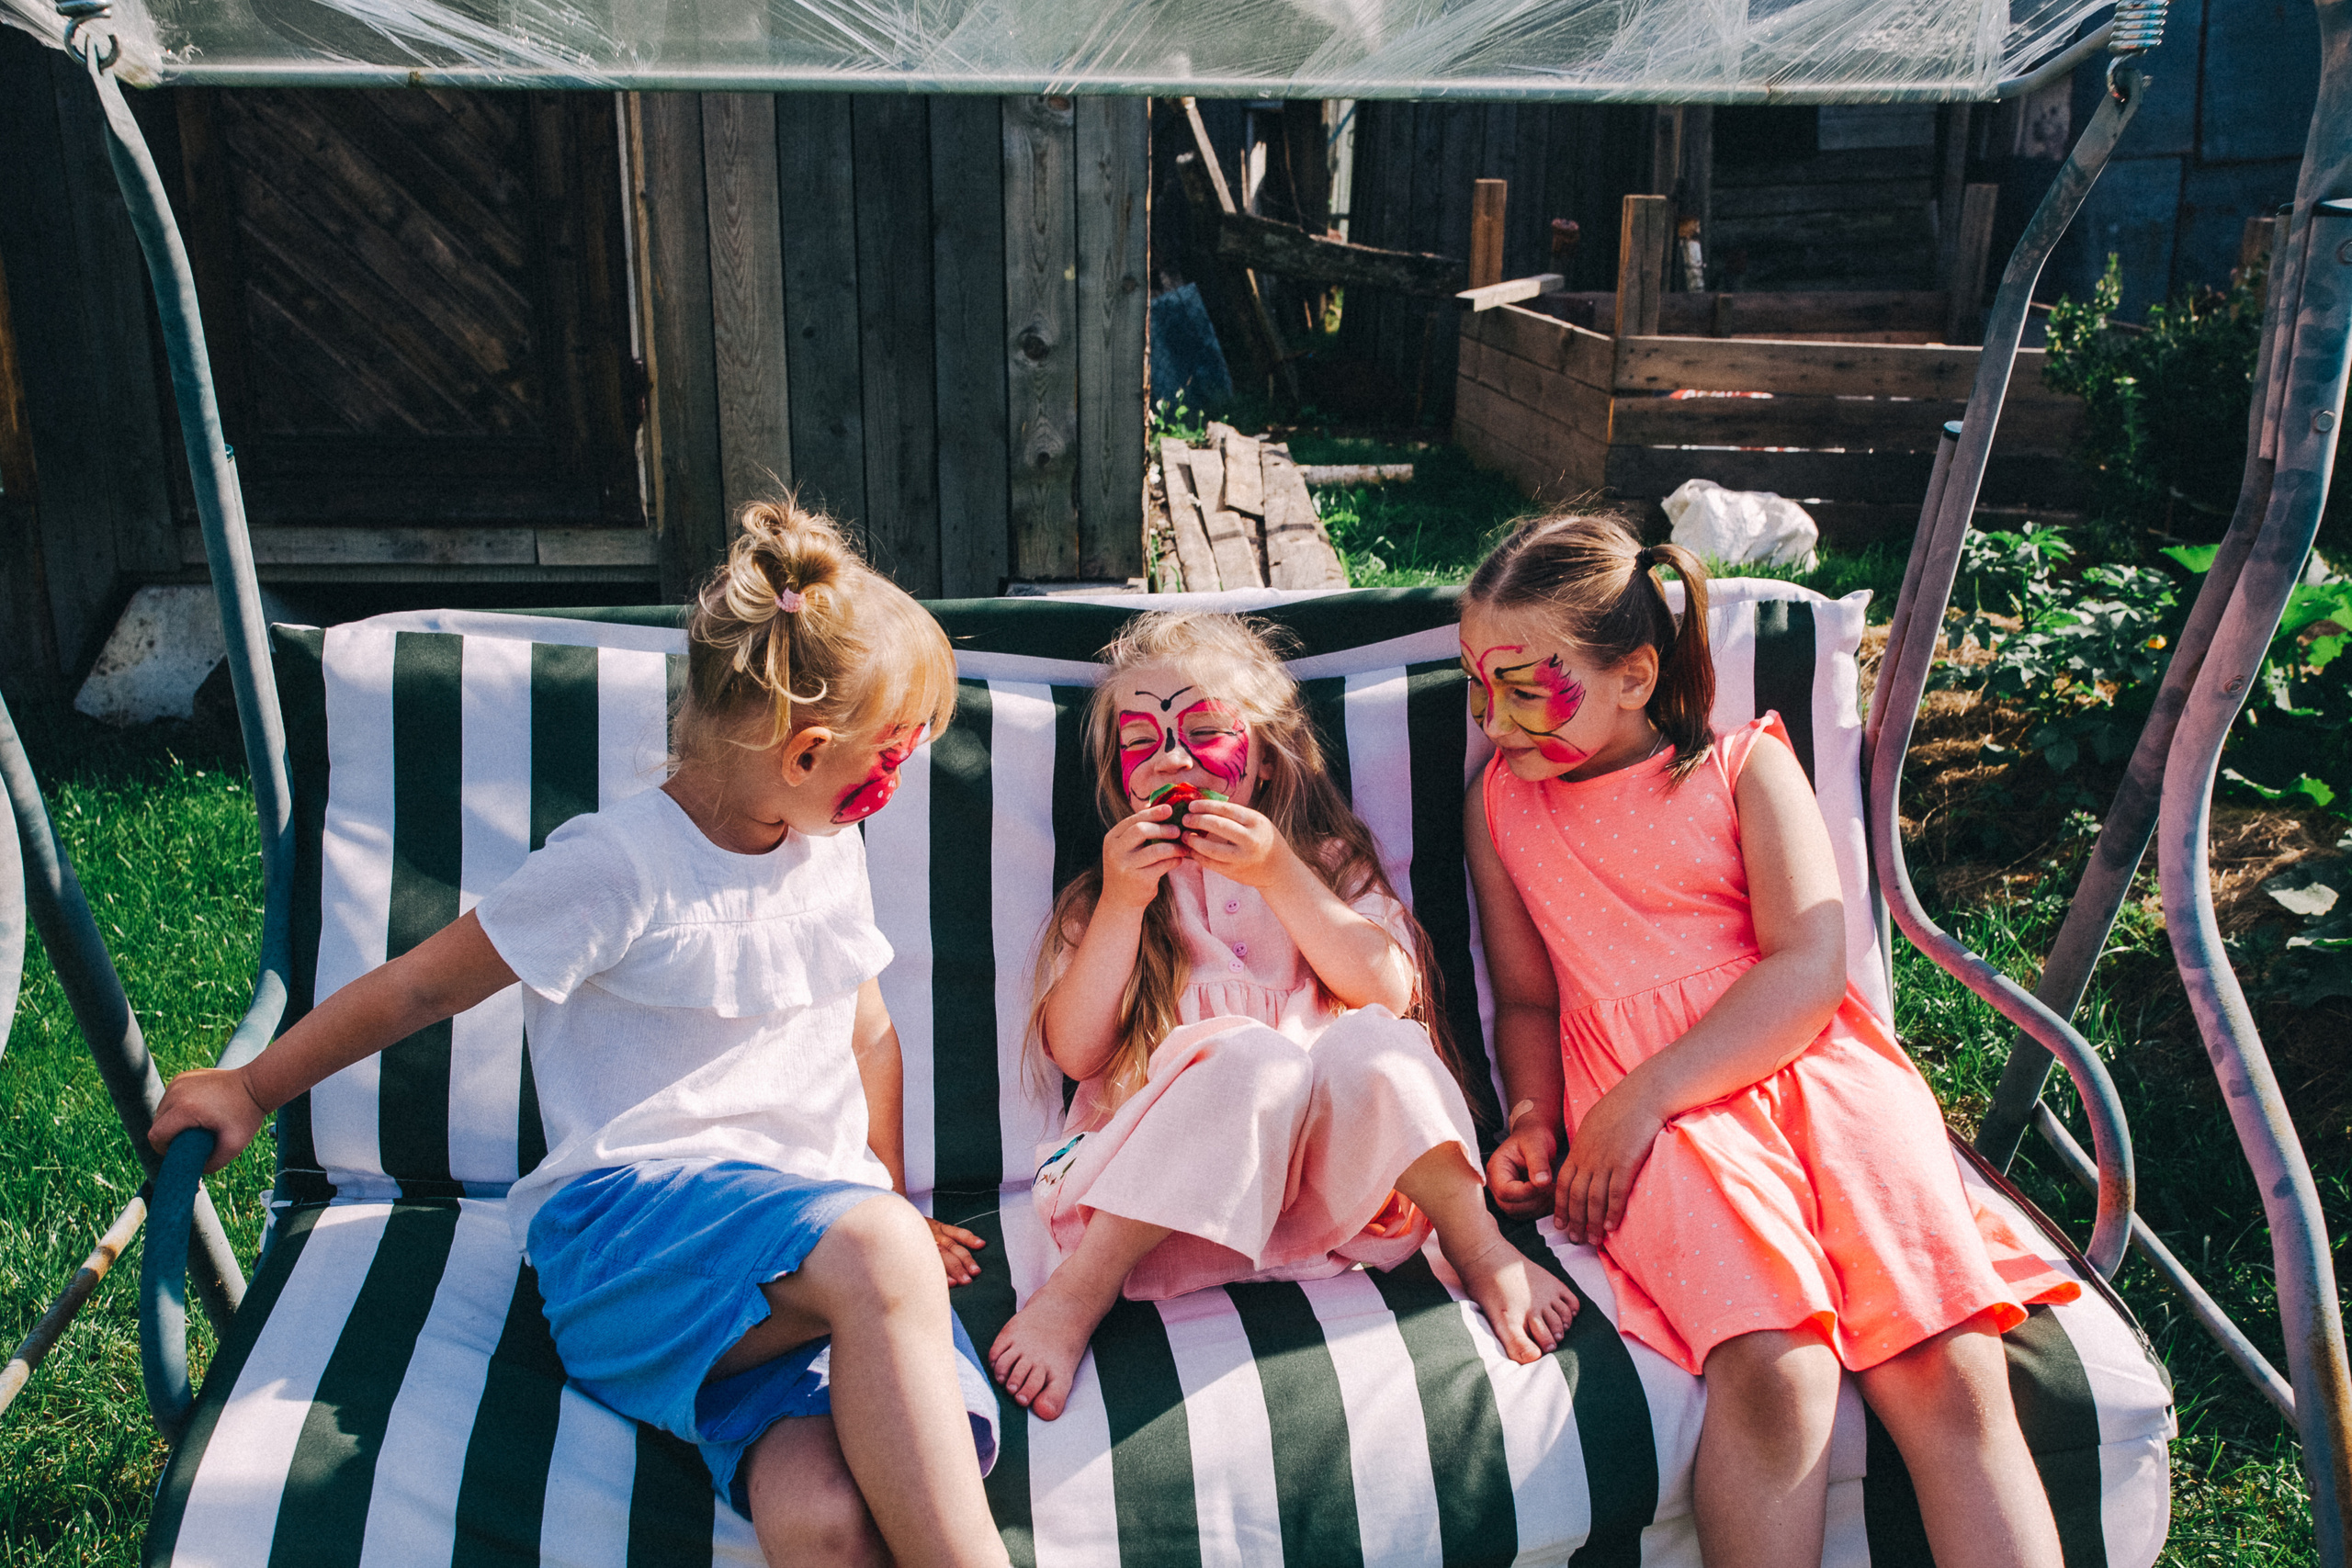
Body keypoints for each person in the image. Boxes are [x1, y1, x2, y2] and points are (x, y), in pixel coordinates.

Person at [150, 502, 1008, 1568]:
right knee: (880, 1257)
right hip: (637, 1246)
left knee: (827, 1521)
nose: (900, 776)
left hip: (798, 1277)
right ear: (806, 752)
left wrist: (873, 1198)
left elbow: (867, 1032)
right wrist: (252, 1089)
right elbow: (419, 990)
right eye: (894, 755)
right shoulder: (617, 868)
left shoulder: (824, 846)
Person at [1462, 514, 2079, 1568]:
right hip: (1655, 1127)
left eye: (1525, 686)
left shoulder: (1748, 768)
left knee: (1948, 1363)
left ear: (1635, 673)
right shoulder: (1502, 805)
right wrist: (1535, 1114)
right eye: (1478, 685)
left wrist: (1644, 1095)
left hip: (1807, 1073)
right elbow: (1525, 999)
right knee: (1776, 1364)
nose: (1494, 718)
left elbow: (1808, 967)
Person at [989, 611, 1580, 1422]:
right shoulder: (1112, 896)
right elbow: (1078, 1051)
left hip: (1335, 1198)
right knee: (1252, 1060)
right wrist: (1124, 902)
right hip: (1163, 1215)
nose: (1172, 757)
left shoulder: (1325, 867)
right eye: (1142, 740)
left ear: (1265, 759)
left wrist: (1279, 873)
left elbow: (1389, 988)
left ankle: (1478, 1245)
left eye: (1204, 731)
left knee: (1380, 1043)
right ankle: (1075, 1296)